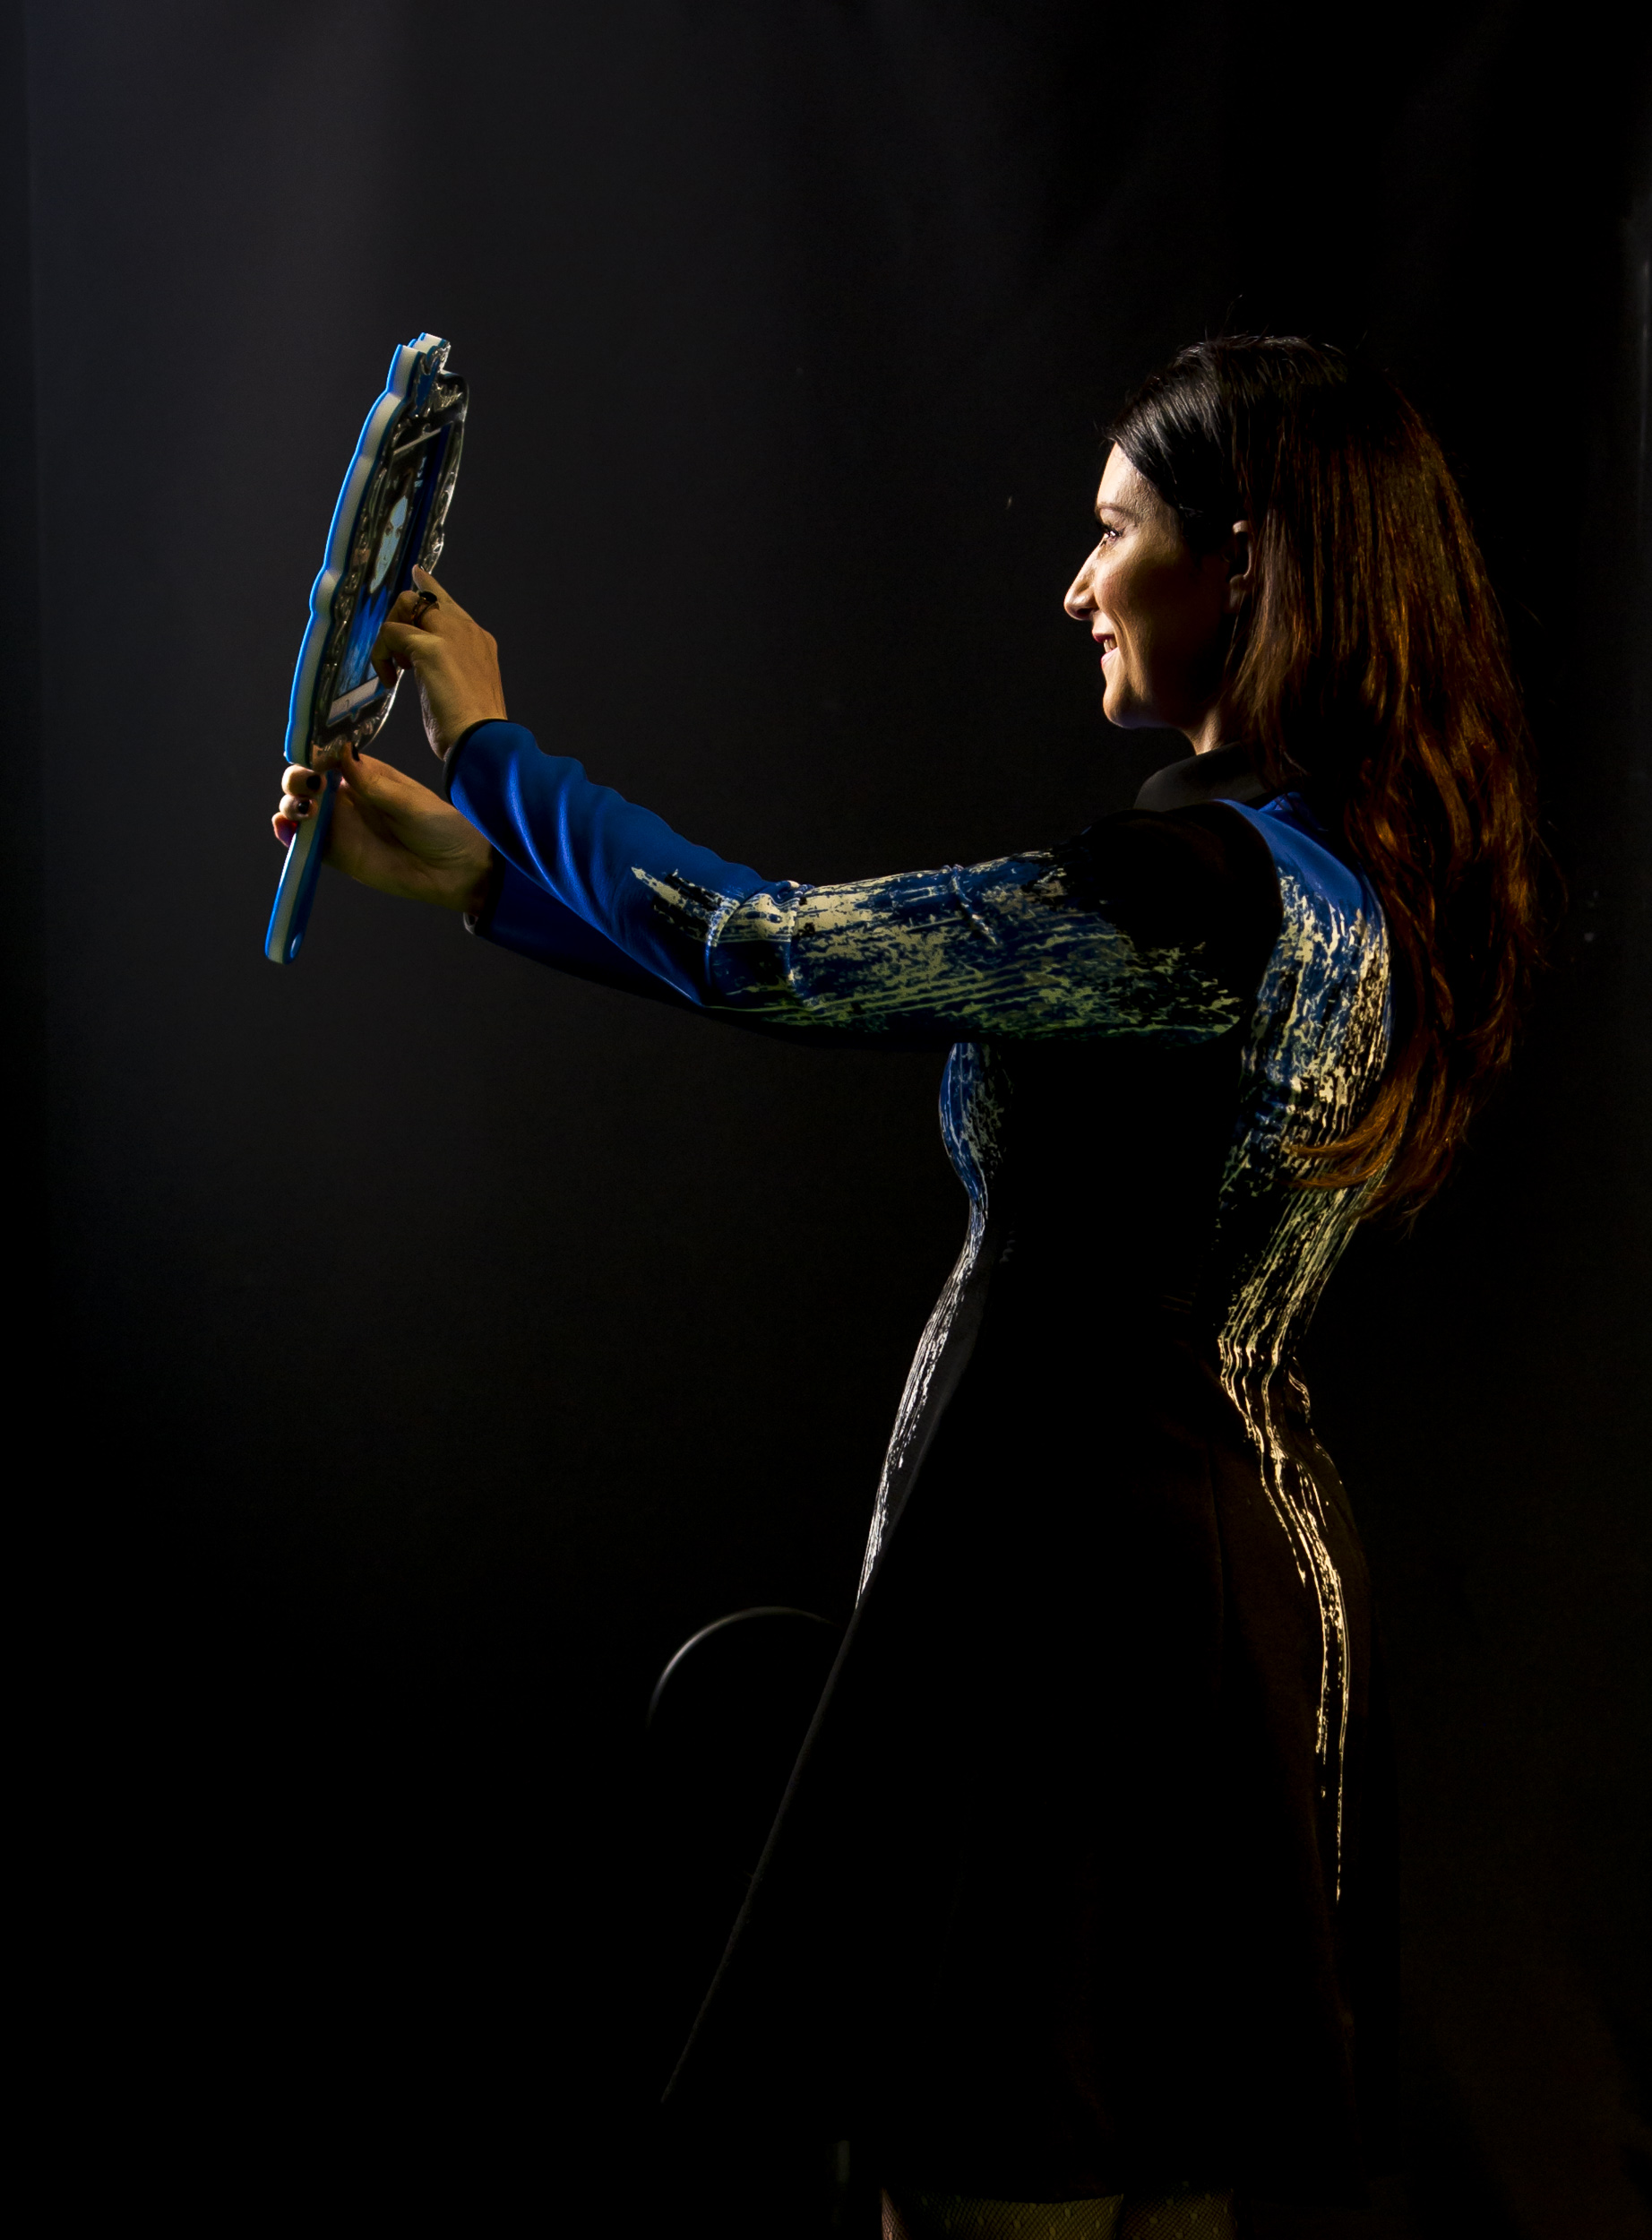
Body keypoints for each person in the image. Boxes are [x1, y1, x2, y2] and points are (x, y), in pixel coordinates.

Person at [273, 338, 1543, 2238]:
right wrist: (481, 881)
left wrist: (489, 746)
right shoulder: (1345, 876)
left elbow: (767, 949)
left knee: (999, 2180)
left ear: (1246, 560)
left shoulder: (1192, 894)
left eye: (1113, 531)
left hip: (1077, 1622)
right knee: (1170, 2177)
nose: (1077, 583)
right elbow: (847, 978)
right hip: (1233, 1608)